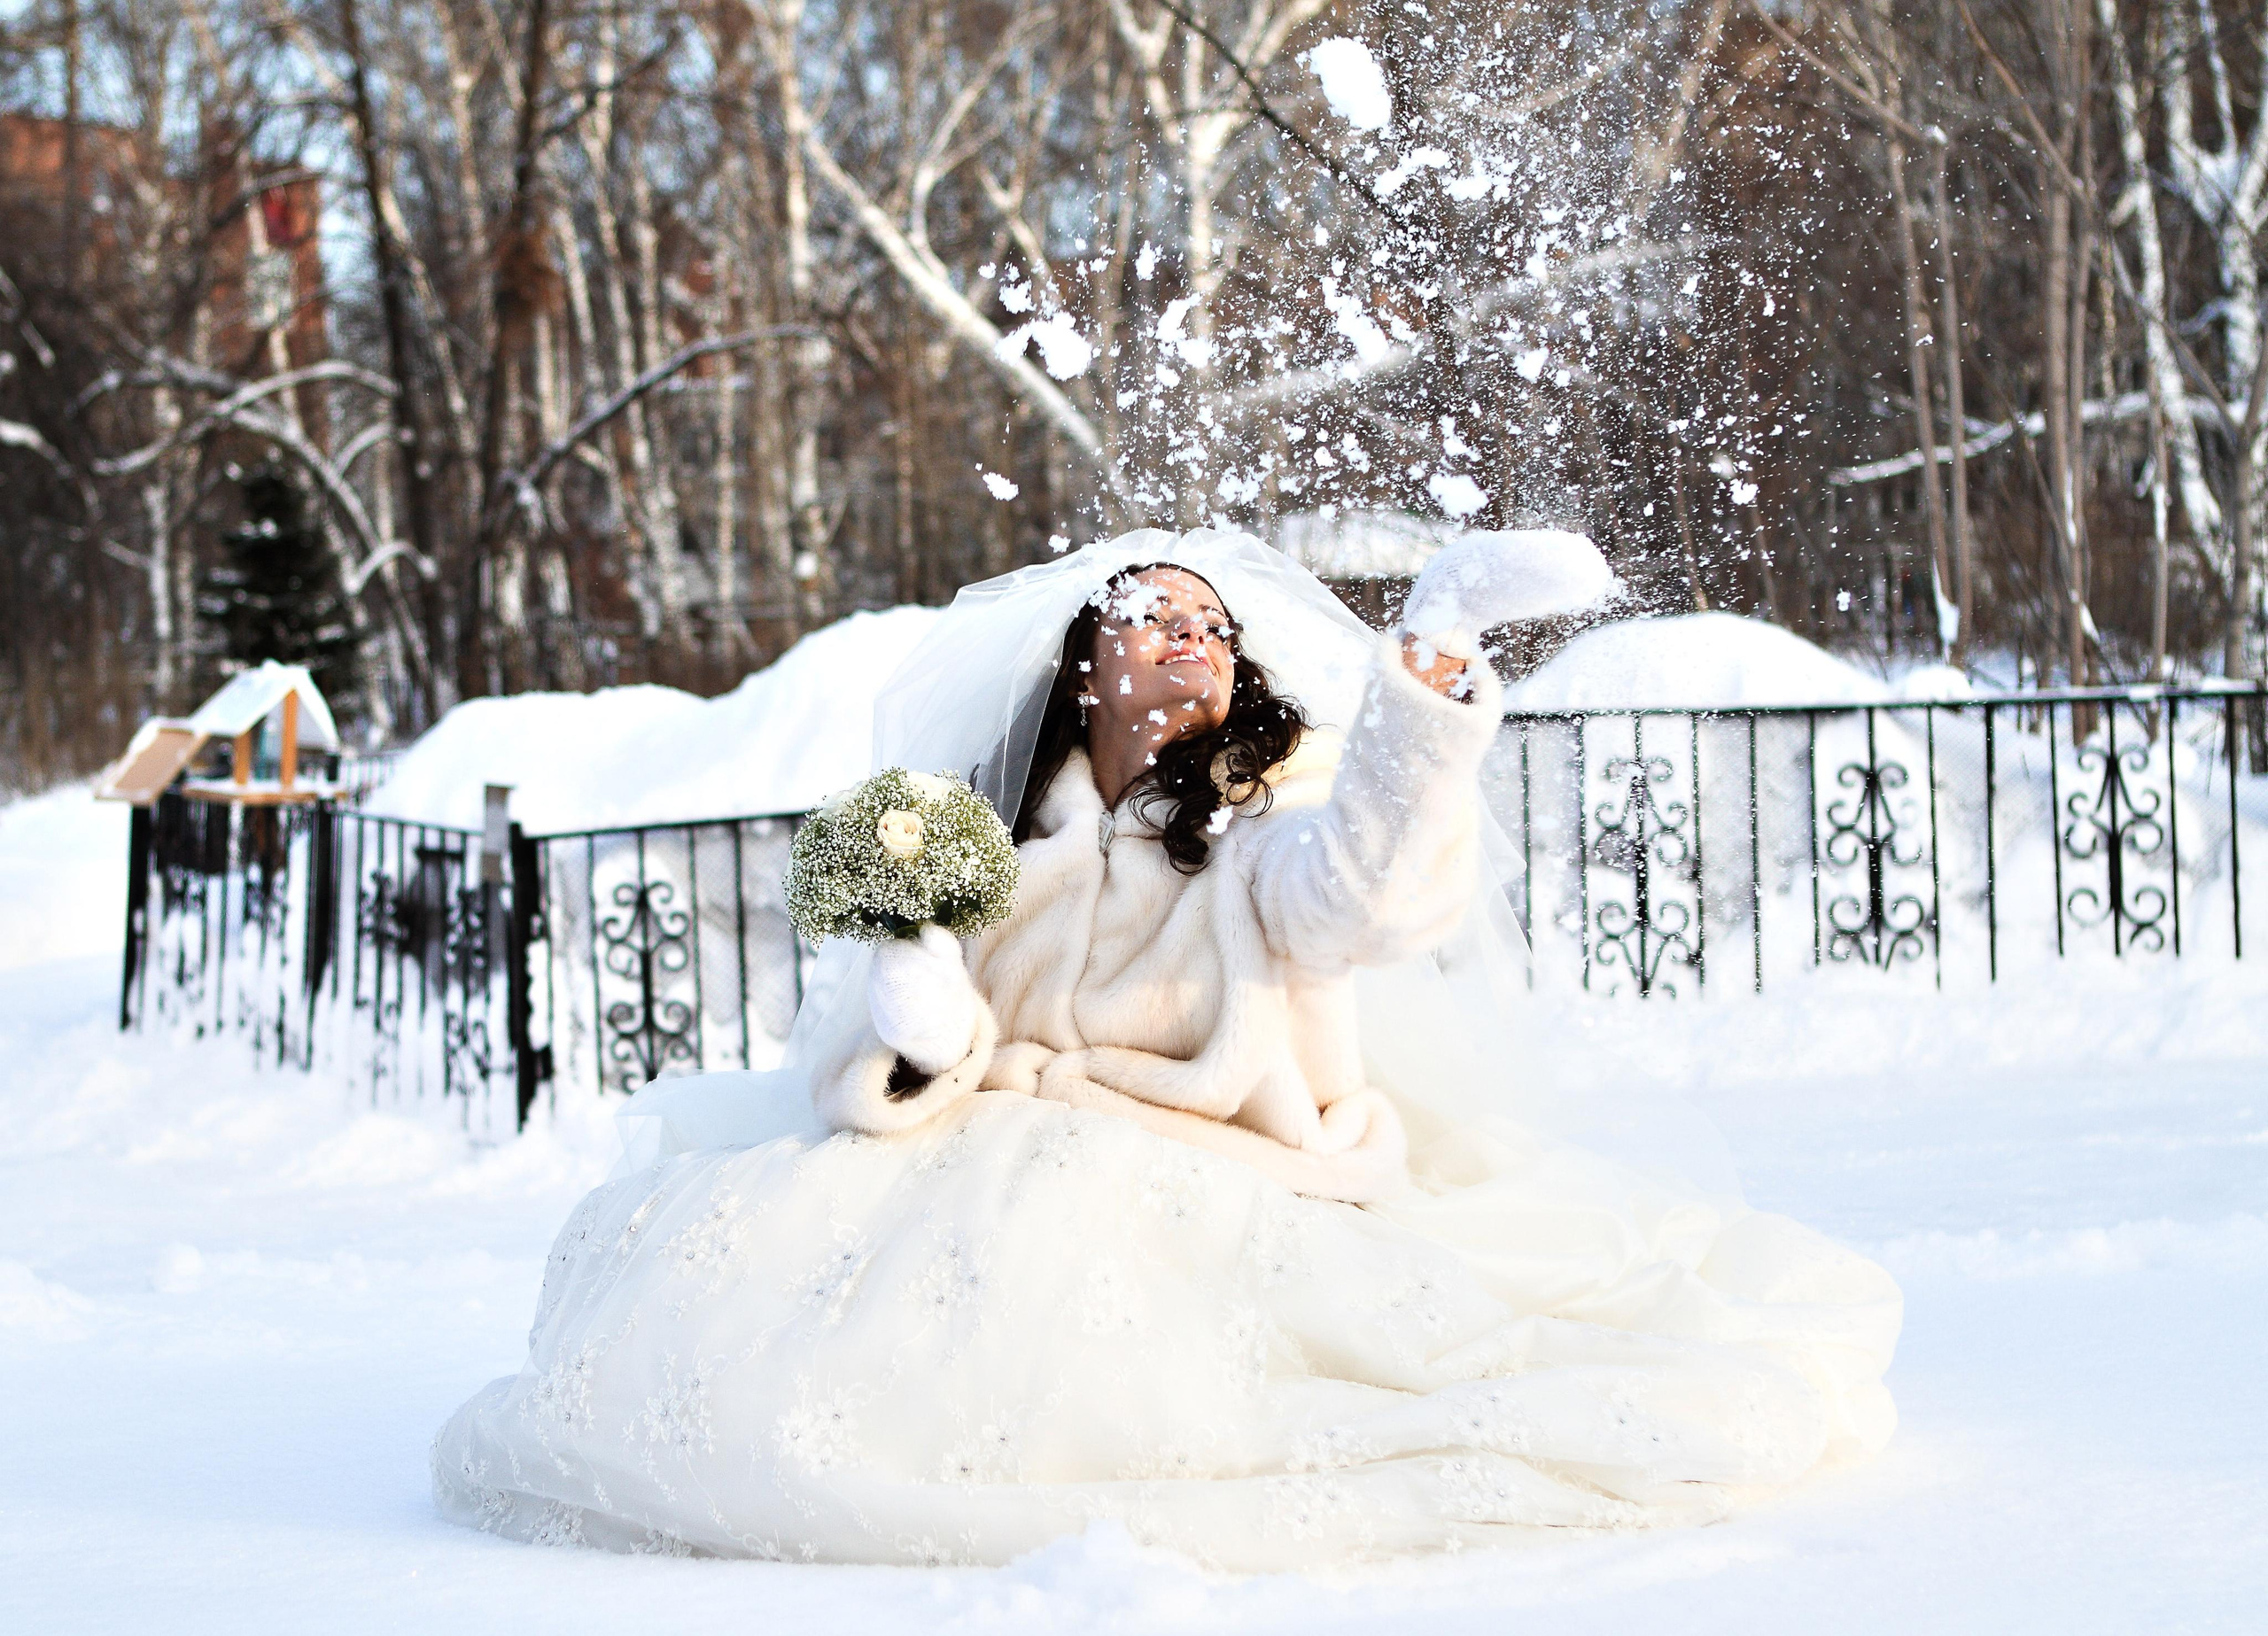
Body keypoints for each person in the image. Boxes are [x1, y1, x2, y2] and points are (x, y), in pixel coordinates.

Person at [432, 528, 1900, 1569]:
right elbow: (893, 1065)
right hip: (986, 1159)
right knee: (747, 1272)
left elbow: (1369, 892)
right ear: (1084, 666)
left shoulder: (1266, 830)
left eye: (1215, 626)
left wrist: (1433, 662)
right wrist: (920, 1021)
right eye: (1158, 618)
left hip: (1213, 1173)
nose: (1197, 640)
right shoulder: (998, 845)